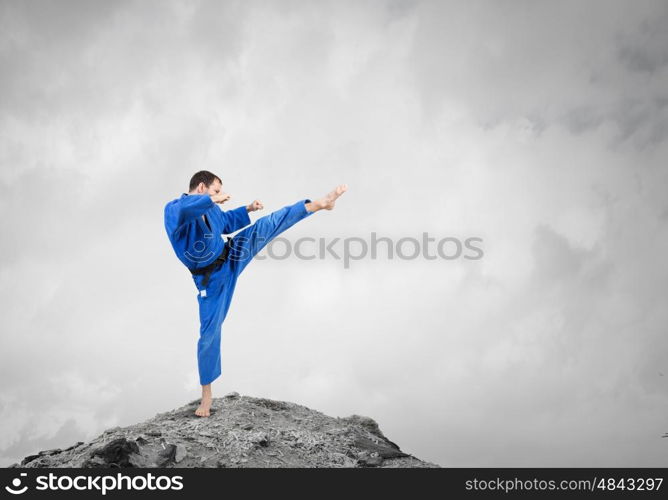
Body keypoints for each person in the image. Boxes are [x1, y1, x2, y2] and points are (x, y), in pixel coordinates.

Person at [164, 170, 347, 417]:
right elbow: (185, 210)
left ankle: (318, 204)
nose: (219, 195)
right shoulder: (174, 210)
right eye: (215, 190)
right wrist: (211, 200)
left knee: (267, 225)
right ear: (200, 188)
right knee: (209, 333)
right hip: (211, 281)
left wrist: (248, 209)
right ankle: (206, 397)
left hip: (231, 254)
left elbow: (225, 222)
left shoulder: (211, 207)